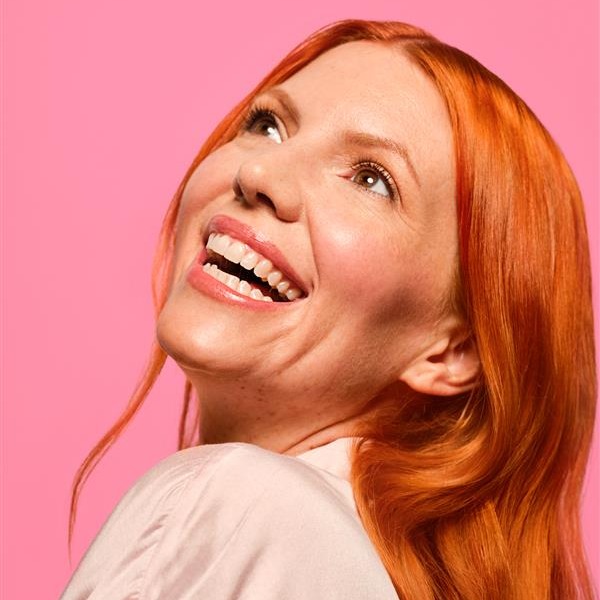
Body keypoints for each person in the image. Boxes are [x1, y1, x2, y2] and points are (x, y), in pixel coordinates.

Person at [61, 19, 596, 599]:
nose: (258, 173)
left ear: (453, 351)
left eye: (371, 180)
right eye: (267, 125)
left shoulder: (233, 510)